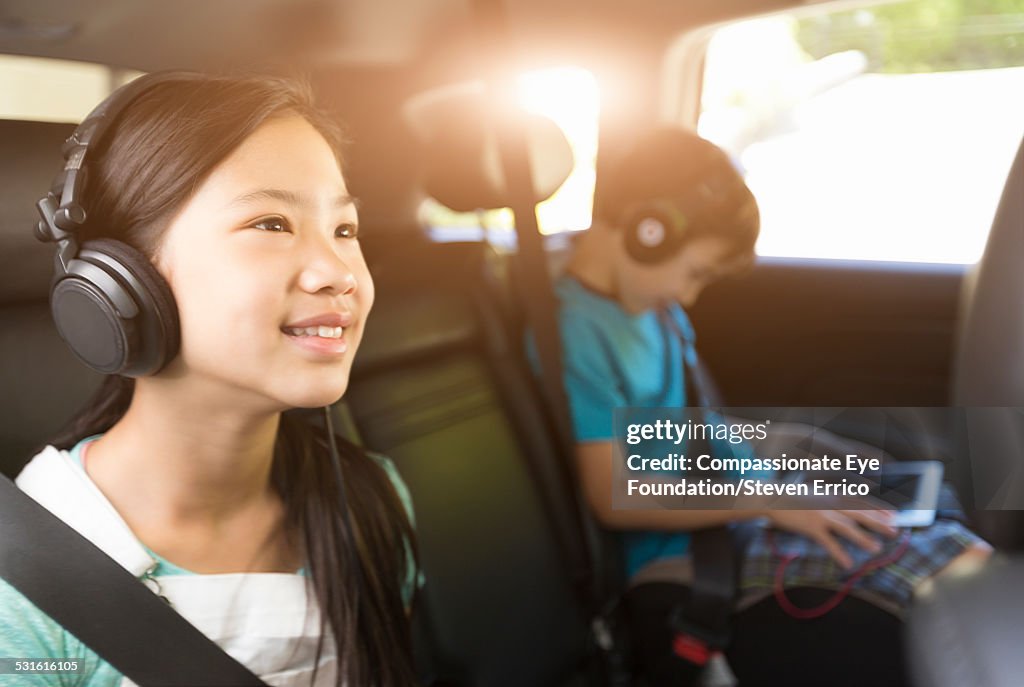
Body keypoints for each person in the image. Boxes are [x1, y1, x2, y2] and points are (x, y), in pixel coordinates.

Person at [0, 72, 419, 687]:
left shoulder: (368, 499)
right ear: (121, 280)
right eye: (272, 224)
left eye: (346, 230)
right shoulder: (26, 580)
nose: (339, 272)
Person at [554, 126, 991, 685]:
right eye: (695, 273)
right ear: (648, 231)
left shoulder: (649, 310)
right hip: (693, 549)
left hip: (740, 507)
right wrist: (770, 498)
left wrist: (790, 481)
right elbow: (615, 494)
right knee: (953, 571)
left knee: (933, 511)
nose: (690, 296)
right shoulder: (577, 332)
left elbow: (703, 429)